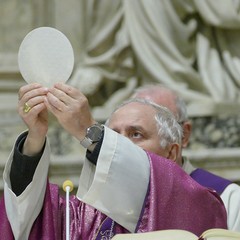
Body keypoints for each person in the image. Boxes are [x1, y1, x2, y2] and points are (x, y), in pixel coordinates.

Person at [0, 83, 227, 239]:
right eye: (114, 135)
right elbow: (29, 218)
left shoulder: (198, 202)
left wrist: (88, 130)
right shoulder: (84, 217)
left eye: (136, 134)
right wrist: (35, 137)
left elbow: (153, 181)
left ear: (172, 152)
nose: (121, 144)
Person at [132, 84, 240, 231]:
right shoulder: (104, 199)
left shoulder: (228, 198)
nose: (128, 144)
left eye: (163, 125)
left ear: (185, 134)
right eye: (119, 133)